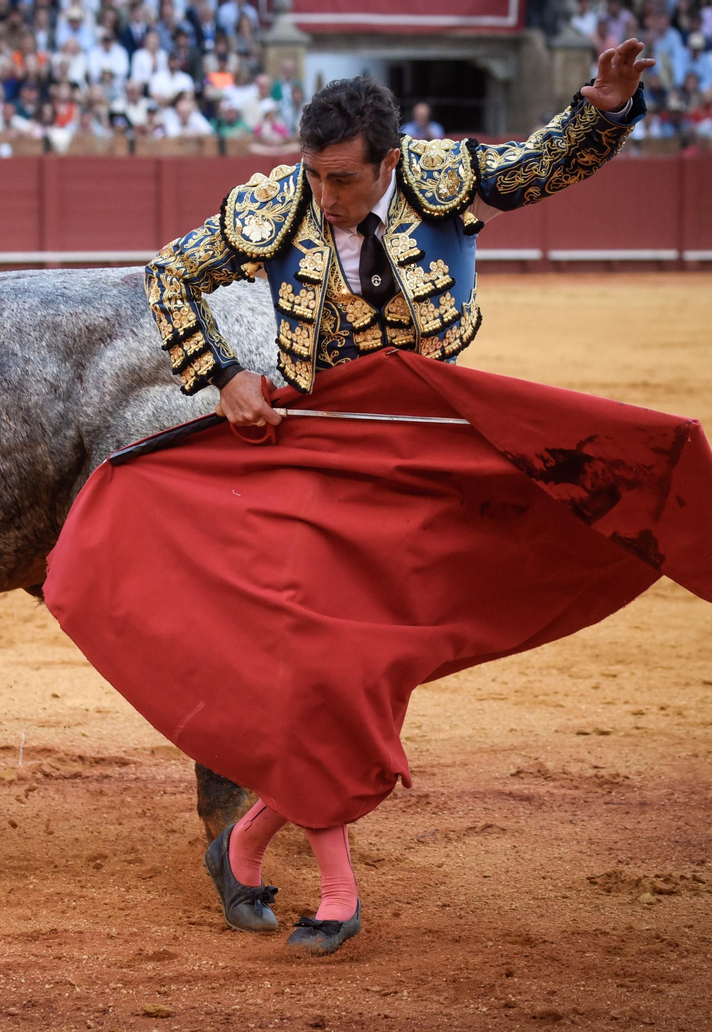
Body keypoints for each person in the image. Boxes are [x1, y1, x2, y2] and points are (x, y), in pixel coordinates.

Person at [143, 42, 653, 954]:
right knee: (326, 668)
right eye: (315, 176)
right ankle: (336, 892)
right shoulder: (276, 206)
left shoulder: (441, 179)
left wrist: (602, 108)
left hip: (428, 455)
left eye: (342, 179)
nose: (325, 196)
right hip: (317, 452)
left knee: (369, 672)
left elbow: (539, 164)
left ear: (388, 162)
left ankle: (250, 840)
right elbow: (169, 274)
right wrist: (221, 375)